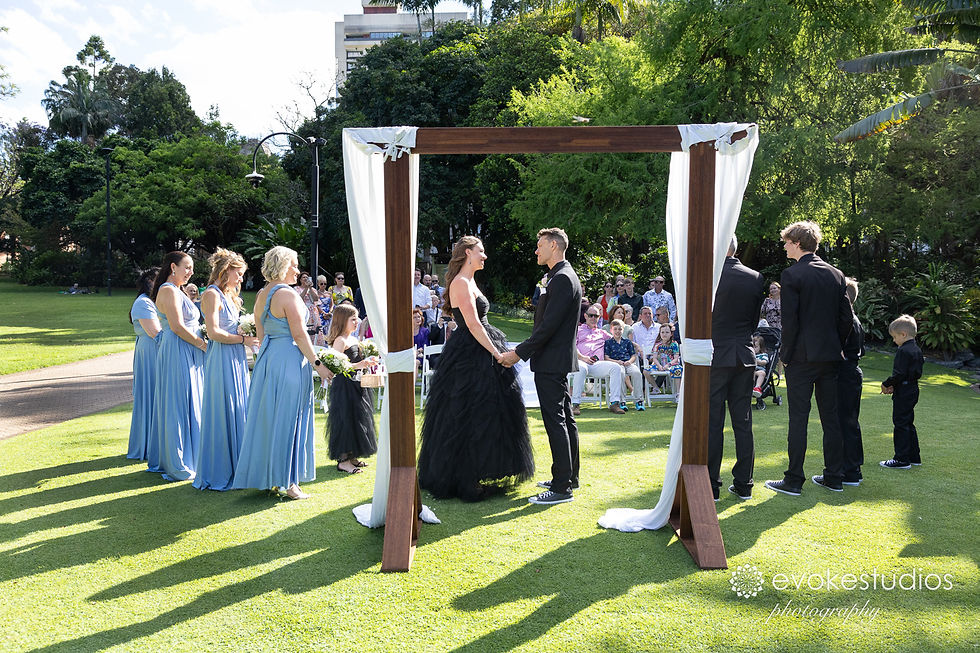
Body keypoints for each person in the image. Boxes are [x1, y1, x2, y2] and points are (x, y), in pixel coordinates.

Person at [418, 236, 534, 501]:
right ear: (468, 253)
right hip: (470, 355)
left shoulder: (470, 281)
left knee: (487, 414)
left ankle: (480, 470)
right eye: (481, 251)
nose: (485, 256)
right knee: (465, 415)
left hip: (480, 349)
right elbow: (473, 324)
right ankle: (463, 478)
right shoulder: (460, 282)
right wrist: (497, 353)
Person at [232, 246, 331, 500]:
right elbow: (299, 335)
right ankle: (288, 482)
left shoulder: (263, 294)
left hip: (267, 360)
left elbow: (261, 334)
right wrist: (318, 364)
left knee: (269, 418)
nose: (298, 270)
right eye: (295, 264)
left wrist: (266, 360)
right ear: (284, 265)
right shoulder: (288, 295)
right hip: (288, 360)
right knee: (289, 418)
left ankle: (270, 477)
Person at [765, 220, 853, 497]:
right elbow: (846, 317)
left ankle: (793, 480)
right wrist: (838, 345)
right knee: (831, 418)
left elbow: (791, 321)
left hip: (802, 357)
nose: (784, 246)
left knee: (799, 419)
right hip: (829, 357)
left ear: (798, 243)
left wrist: (786, 356)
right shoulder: (836, 274)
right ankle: (834, 476)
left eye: (787, 242)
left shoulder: (792, 275)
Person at [501, 227, 582, 506]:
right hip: (555, 359)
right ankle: (569, 477)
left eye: (539, 246)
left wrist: (519, 353)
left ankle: (562, 487)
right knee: (565, 419)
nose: (536, 250)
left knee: (555, 420)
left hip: (551, 360)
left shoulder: (562, 278)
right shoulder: (558, 276)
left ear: (553, 245)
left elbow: (548, 326)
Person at [194, 248, 259, 491]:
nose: (241, 278)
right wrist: (243, 340)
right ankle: (221, 469)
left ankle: (239, 466)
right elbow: (213, 333)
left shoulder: (230, 295)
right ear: (225, 271)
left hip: (236, 357)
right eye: (238, 273)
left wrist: (245, 334)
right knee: (224, 408)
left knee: (238, 407)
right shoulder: (211, 294)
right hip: (222, 358)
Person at [706, 238, 765, 501]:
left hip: (717, 354)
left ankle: (711, 484)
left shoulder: (710, 276)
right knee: (743, 422)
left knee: (714, 422)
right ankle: (744, 483)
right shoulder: (754, 277)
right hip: (744, 354)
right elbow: (753, 320)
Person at [149, 252, 207, 481]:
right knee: (179, 401)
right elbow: (177, 327)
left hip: (188, 348)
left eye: (192, 268)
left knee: (191, 399)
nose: (191, 272)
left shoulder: (178, 290)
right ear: (173, 267)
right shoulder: (167, 290)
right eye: (187, 267)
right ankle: (178, 460)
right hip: (178, 349)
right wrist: (202, 344)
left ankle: (193, 454)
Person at [326, 303, 379, 474]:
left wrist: (367, 362)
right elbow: (337, 367)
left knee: (358, 419)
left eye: (357, 318)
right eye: (353, 319)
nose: (357, 322)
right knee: (346, 420)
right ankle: (344, 460)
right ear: (343, 321)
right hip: (345, 386)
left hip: (357, 384)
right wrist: (360, 364)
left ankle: (353, 455)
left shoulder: (354, 339)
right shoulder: (340, 341)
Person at [880, 314, 924, 469]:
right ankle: (914, 456)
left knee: (900, 423)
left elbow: (899, 374)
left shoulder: (903, 351)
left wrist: (887, 383)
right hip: (912, 388)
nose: (894, 340)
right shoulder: (917, 350)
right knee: (908, 422)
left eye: (894, 337)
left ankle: (901, 458)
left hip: (904, 391)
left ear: (903, 334)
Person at [127, 268, 161, 460]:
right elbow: (155, 332)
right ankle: (146, 444)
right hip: (150, 351)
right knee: (149, 393)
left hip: (156, 349)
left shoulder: (154, 302)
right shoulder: (143, 303)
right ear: (149, 281)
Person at [571, 304, 626, 414]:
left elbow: (618, 340)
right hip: (581, 361)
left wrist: (635, 345)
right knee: (580, 369)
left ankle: (614, 403)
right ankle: (575, 404)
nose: (593, 318)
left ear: (599, 317)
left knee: (616, 367)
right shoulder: (578, 330)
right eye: (591, 315)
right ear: (585, 316)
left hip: (597, 364)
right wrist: (583, 357)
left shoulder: (602, 333)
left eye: (596, 316)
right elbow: (571, 346)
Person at [839, 278, 866, 485]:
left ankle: (849, 470)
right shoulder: (856, 321)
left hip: (845, 374)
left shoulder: (847, 321)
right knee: (849, 421)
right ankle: (852, 468)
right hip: (852, 373)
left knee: (844, 421)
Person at [604, 319, 643, 411]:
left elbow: (633, 355)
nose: (617, 331)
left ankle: (639, 400)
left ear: (623, 330)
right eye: (615, 329)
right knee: (620, 374)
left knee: (637, 373)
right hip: (616, 364)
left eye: (620, 329)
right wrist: (617, 362)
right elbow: (606, 357)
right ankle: (622, 401)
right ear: (611, 330)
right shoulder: (608, 343)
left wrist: (630, 361)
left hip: (628, 363)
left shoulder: (627, 342)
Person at [412, 307, 430, 373]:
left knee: (415, 363)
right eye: (415, 317)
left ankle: (412, 383)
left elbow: (426, 344)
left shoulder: (425, 331)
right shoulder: (407, 332)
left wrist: (417, 352)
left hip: (421, 355)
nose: (418, 319)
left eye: (419, 317)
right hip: (410, 355)